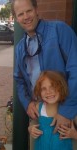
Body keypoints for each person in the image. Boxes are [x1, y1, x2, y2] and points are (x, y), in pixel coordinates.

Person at [12, 0, 77, 133]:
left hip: (66, 112)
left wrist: (66, 111)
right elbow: (19, 81)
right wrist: (27, 103)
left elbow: (75, 68)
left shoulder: (59, 30)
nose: (26, 17)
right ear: (16, 18)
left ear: (36, 10)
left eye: (29, 11)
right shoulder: (20, 48)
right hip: (40, 113)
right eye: (20, 14)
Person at [28, 71, 72, 150]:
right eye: (44, 89)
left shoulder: (68, 110)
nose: (48, 92)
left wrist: (74, 134)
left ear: (61, 87)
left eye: (52, 87)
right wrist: (31, 129)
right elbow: (33, 122)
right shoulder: (39, 107)